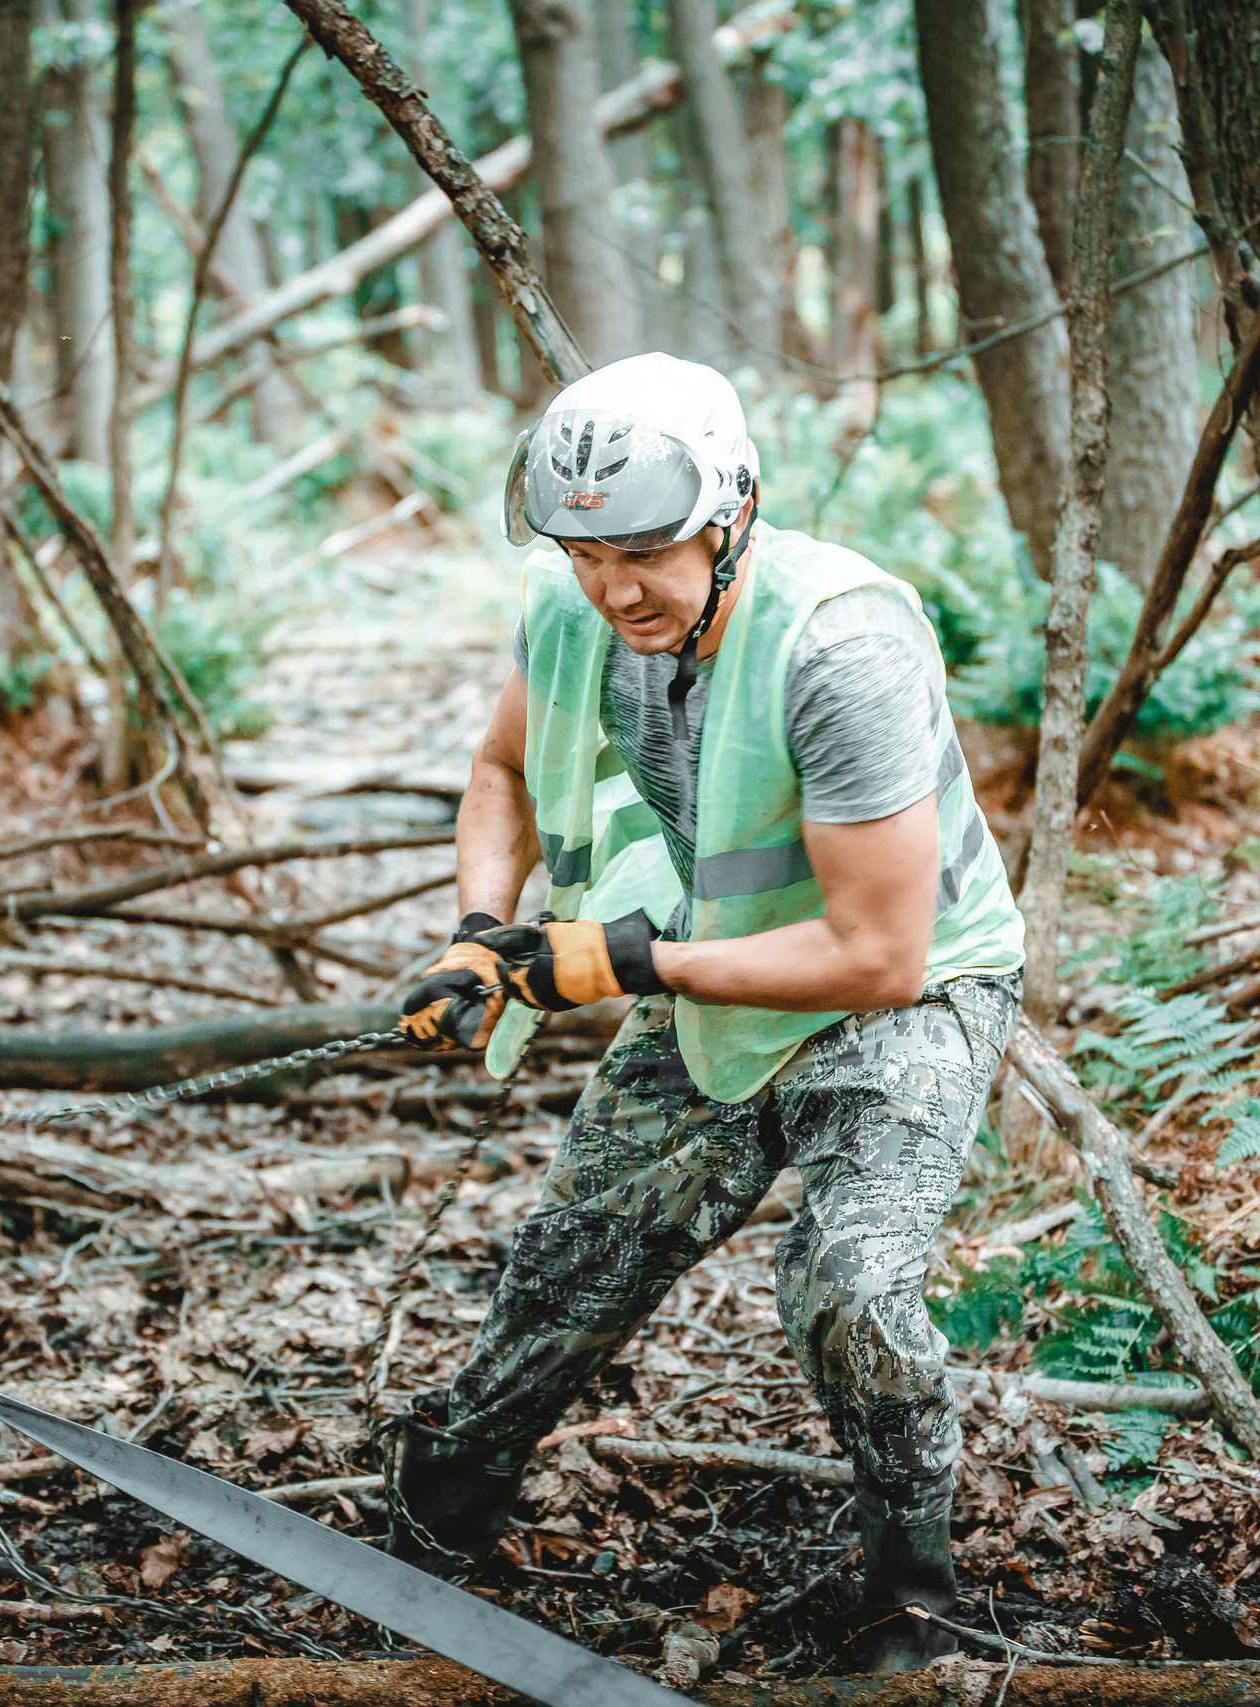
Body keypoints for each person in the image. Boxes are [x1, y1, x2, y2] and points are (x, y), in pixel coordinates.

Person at [390, 352, 1025, 1672]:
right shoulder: (578, 614)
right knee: (571, 1259)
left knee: (847, 1288)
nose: (618, 586)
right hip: (714, 961)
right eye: (587, 551)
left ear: (731, 511)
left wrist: (625, 962)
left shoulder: (841, 644)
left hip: (904, 991)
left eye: (650, 549)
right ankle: (435, 1515)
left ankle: (920, 1588)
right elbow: (501, 769)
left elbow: (875, 956)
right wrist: (471, 938)